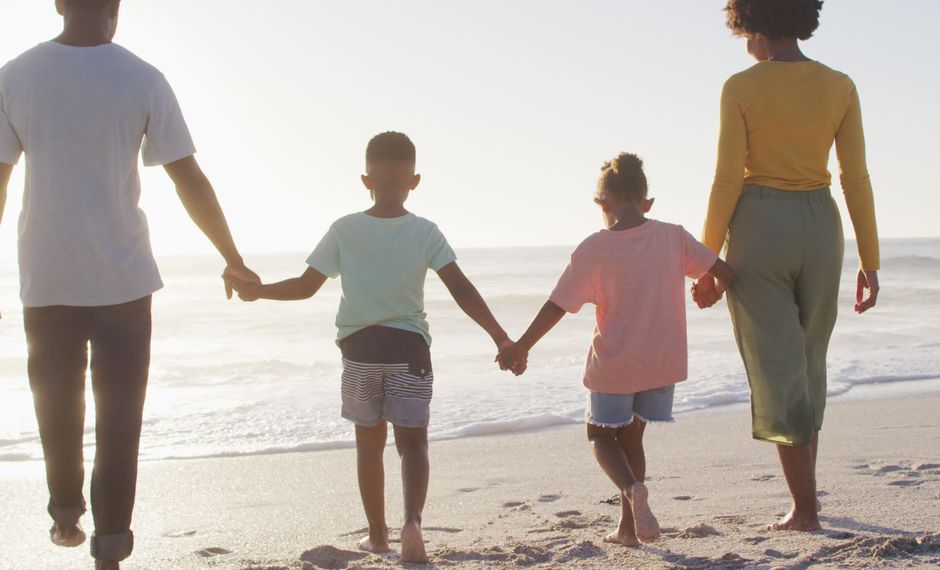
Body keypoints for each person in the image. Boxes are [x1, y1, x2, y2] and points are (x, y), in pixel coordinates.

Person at [0, 1, 260, 567]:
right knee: (120, 423)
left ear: (58, 3)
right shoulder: (143, 78)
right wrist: (232, 257)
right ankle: (109, 553)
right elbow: (187, 176)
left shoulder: (14, 76)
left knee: (57, 410)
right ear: (115, 6)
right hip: (124, 281)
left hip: (47, 280)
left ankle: (66, 515)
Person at [226, 131, 513, 563]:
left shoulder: (344, 229)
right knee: (413, 443)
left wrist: (259, 291)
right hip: (410, 350)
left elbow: (306, 288)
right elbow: (462, 290)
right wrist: (502, 337)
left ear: (366, 180)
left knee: (369, 444)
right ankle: (412, 523)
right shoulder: (425, 231)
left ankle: (378, 536)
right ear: (414, 181)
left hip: (361, 351)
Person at [693, 0, 882, 532]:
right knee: (808, 363)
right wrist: (871, 259)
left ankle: (805, 510)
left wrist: (707, 259)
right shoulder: (840, 85)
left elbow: (727, 179)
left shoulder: (741, 87)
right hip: (823, 227)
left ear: (749, 20)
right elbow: (856, 178)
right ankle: (807, 498)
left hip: (760, 226)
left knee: (779, 370)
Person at [497, 153, 734, 546]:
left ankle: (630, 489)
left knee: (599, 436)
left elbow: (558, 305)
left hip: (615, 365)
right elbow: (724, 273)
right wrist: (710, 293)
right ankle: (629, 528)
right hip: (661, 364)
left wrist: (521, 346)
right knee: (632, 440)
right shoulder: (673, 236)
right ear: (647, 202)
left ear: (601, 203)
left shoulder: (595, 248)